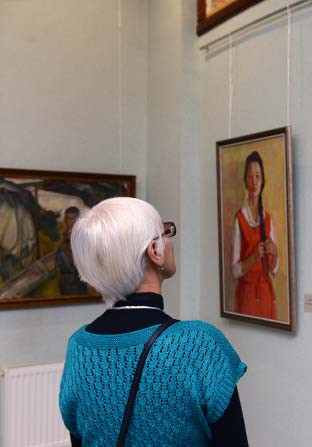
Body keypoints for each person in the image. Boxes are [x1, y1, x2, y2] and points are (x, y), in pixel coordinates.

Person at [58, 197, 248, 446]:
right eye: (165, 232)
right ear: (154, 252)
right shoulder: (199, 343)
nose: (170, 241)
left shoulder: (79, 347)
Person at [231, 151, 279, 319]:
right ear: (245, 181)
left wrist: (275, 252)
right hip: (246, 298)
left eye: (258, 176)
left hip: (266, 296)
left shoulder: (268, 219)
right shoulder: (239, 219)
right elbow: (235, 271)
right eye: (250, 177)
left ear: (263, 180)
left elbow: (274, 270)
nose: (254, 182)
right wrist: (252, 258)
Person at [55, 206, 88, 295]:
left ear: (78, 220)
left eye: (73, 218)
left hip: (76, 282)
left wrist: (66, 249)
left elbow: (77, 264)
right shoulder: (65, 235)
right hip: (65, 281)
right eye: (68, 218)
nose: (70, 222)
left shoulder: (81, 238)